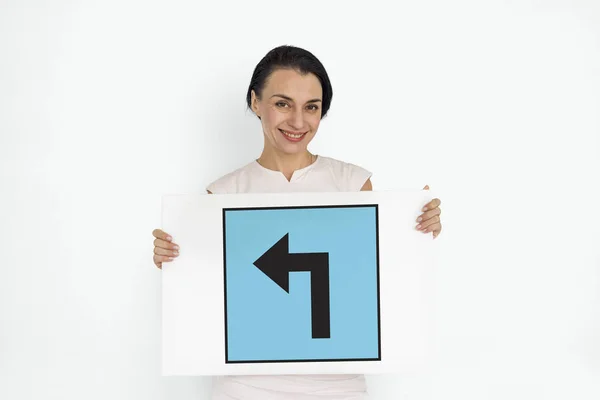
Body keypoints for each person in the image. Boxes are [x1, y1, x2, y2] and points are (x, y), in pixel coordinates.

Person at [152, 45, 443, 400]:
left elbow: (378, 276)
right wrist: (172, 259)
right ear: (256, 102)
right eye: (282, 103)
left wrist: (415, 227)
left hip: (339, 384)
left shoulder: (352, 184)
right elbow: (207, 296)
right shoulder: (223, 195)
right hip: (246, 385)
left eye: (311, 107)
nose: (298, 122)